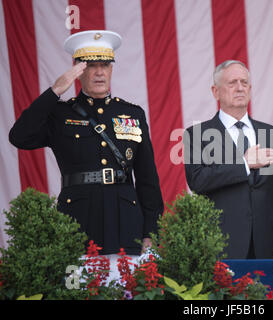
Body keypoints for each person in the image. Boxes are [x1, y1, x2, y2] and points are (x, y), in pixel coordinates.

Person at [9, 30, 164, 259]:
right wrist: (54, 92)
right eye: (91, 65)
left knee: (126, 291)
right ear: (78, 71)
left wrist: (150, 231)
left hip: (125, 220)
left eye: (105, 65)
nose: (99, 72)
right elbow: (19, 136)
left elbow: (147, 178)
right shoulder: (60, 113)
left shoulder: (132, 113)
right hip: (77, 221)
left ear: (112, 68)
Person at [184, 60, 273, 259]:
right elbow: (198, 181)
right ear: (215, 92)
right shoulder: (197, 134)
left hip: (266, 246)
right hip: (221, 244)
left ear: (250, 89)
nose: (240, 88)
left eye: (244, 82)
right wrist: (244, 164)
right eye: (232, 83)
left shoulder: (271, 134)